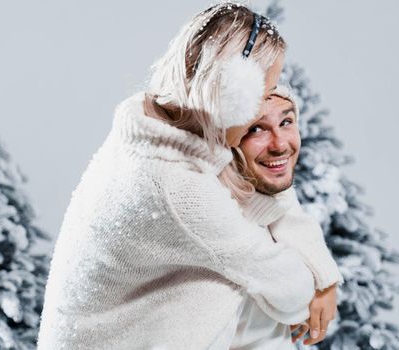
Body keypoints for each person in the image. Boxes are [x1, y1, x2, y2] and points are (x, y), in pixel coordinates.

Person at [36, 3, 319, 349]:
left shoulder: (149, 127)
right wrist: (319, 284)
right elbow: (292, 292)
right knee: (248, 296)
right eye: (262, 94)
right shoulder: (177, 187)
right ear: (230, 92)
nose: (265, 109)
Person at [228, 86, 344, 349]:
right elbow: (291, 296)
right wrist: (314, 289)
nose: (280, 144)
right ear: (228, 139)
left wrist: (325, 280)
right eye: (255, 128)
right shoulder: (215, 222)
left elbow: (286, 209)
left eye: (286, 122)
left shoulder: (270, 204)